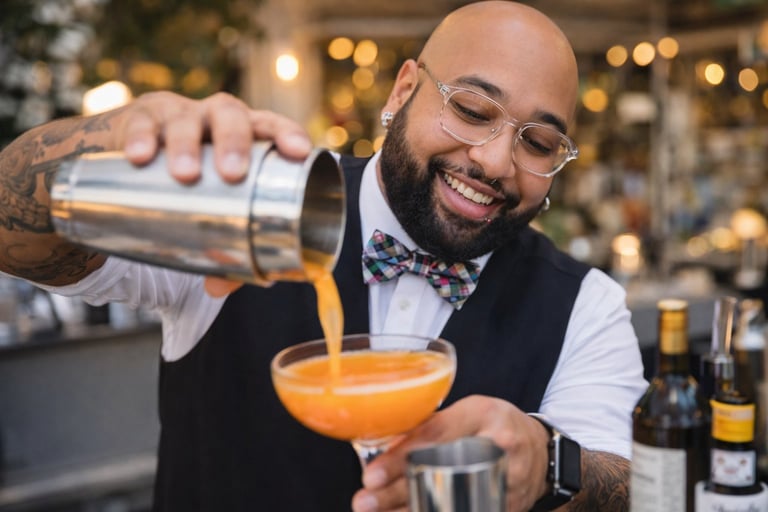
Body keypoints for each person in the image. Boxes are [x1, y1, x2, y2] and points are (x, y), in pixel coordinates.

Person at [0, 1, 647, 510]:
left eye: (537, 143)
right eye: (473, 111)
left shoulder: (585, 304)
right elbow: (12, 233)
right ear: (401, 93)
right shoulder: (249, 211)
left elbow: (636, 487)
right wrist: (114, 138)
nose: (495, 162)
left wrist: (549, 463)